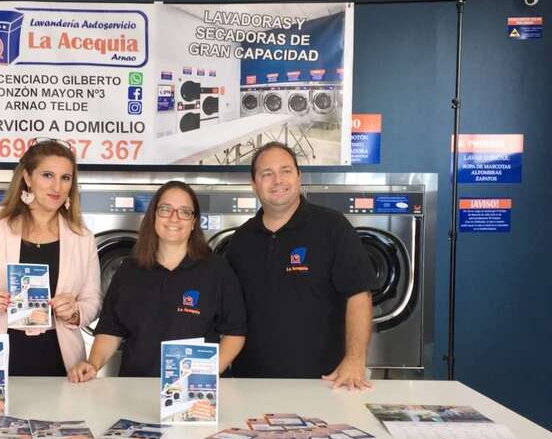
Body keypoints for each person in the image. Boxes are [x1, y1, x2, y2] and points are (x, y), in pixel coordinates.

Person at [226, 142, 377, 389]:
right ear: (254, 184)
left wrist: (354, 360)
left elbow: (359, 295)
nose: (277, 180)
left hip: (326, 381)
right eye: (267, 174)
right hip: (250, 382)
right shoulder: (241, 241)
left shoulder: (332, 227)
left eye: (285, 171)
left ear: (299, 177)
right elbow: (229, 312)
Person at [0, 140, 101, 376]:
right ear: (27, 178)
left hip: (60, 362)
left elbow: (93, 301)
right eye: (47, 175)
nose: (57, 186)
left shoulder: (82, 237)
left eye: (65, 178)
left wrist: (74, 310)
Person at [67, 181, 246, 382]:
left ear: (194, 221)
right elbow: (110, 330)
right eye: (165, 209)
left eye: (185, 212)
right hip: (137, 386)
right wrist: (93, 364)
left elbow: (235, 333)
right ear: (153, 216)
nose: (174, 218)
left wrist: (207, 375)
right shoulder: (130, 270)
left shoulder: (216, 270)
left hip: (194, 393)